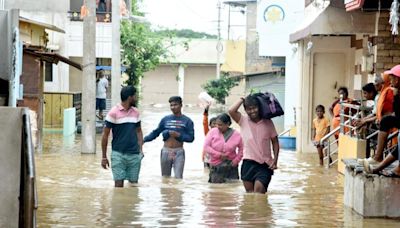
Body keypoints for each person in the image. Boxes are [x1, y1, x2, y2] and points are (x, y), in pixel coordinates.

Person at [228, 94, 280, 194]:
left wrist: (275, 159)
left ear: (259, 107)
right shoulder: (242, 120)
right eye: (249, 109)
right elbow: (231, 111)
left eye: (254, 108)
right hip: (248, 163)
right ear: (246, 110)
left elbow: (275, 141)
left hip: (265, 165)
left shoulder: (268, 122)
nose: (252, 111)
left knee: (259, 192)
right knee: (250, 195)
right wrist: (242, 99)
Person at [101, 86, 144, 187]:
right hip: (118, 154)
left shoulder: (136, 113)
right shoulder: (113, 113)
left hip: (134, 155)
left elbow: (139, 132)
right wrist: (104, 157)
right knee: (118, 186)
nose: (136, 98)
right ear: (130, 97)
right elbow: (105, 136)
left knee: (133, 186)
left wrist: (141, 150)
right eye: (135, 96)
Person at [143, 96, 194, 179]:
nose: (173, 107)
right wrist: (144, 140)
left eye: (175, 105)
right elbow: (156, 132)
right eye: (171, 105)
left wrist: (179, 135)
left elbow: (191, 138)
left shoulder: (187, 121)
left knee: (178, 178)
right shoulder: (165, 119)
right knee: (165, 178)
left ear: (181, 105)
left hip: (179, 152)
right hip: (166, 151)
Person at [363, 65, 400, 169]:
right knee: (385, 121)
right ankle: (378, 160)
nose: (390, 81)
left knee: (386, 121)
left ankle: (378, 160)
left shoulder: (390, 91)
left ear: (397, 80)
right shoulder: (394, 91)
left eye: (392, 78)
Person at [204, 113, 243, 183]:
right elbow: (206, 147)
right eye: (216, 124)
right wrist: (219, 155)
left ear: (227, 124)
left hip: (231, 167)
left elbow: (242, 149)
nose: (217, 126)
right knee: (216, 190)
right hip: (216, 167)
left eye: (220, 125)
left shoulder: (236, 135)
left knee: (232, 190)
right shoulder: (213, 132)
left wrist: (235, 161)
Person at [202, 102, 217, 168]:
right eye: (213, 124)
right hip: (207, 156)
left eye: (217, 124)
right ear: (210, 125)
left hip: (216, 156)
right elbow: (204, 122)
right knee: (206, 171)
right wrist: (206, 112)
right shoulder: (208, 133)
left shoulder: (221, 133)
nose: (215, 125)